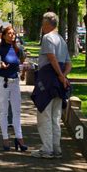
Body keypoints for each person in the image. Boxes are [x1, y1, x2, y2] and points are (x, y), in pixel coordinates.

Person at [31, 12, 72, 159]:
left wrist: (60, 76)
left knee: (44, 116)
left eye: (43, 23)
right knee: (55, 117)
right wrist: (64, 77)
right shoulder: (61, 39)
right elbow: (68, 63)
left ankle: (47, 150)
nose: (42, 26)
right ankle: (56, 148)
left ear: (48, 24)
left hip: (48, 81)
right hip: (59, 83)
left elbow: (51, 57)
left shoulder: (47, 38)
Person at [0, 25, 28, 152]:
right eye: (9, 33)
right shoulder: (0, 49)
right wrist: (0, 65)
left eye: (13, 33)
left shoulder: (17, 48)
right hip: (3, 81)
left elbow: (21, 62)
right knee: (4, 112)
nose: (11, 35)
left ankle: (19, 138)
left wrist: (24, 71)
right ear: (3, 36)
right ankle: (5, 138)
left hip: (15, 82)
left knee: (17, 111)